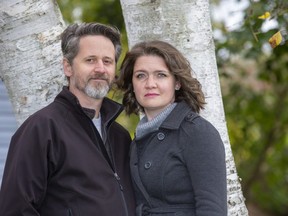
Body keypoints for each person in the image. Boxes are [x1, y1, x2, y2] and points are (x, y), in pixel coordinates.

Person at [0, 23, 135, 216]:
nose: (100, 69)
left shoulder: (120, 137)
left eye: (107, 61)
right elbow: (15, 210)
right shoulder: (42, 129)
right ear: (68, 67)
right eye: (90, 60)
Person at [117, 40, 227, 216]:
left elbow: (213, 210)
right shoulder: (138, 139)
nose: (150, 83)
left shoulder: (196, 132)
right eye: (140, 76)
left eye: (160, 75)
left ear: (177, 82)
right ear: (133, 84)